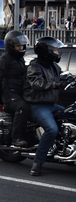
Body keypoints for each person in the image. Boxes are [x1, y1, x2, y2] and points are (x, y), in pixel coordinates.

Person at [24, 36, 71, 176]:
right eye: (54, 50)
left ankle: (63, 149)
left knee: (69, 117)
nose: (57, 52)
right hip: (38, 105)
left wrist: (69, 79)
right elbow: (37, 84)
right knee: (51, 129)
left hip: (51, 104)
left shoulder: (53, 66)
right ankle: (37, 163)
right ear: (46, 51)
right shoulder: (34, 66)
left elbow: (62, 75)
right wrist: (57, 84)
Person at [0, 31, 30, 148]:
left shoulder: (20, 59)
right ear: (11, 46)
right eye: (18, 46)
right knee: (22, 107)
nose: (21, 48)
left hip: (19, 92)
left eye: (22, 46)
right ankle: (16, 138)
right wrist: (0, 99)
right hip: (9, 94)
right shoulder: (5, 59)